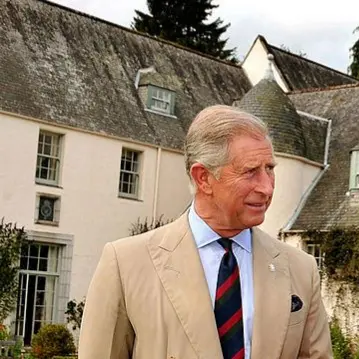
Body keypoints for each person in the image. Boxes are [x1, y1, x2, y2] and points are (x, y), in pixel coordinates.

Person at [78, 105, 332, 359]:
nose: (266, 188)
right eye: (250, 171)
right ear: (203, 178)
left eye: (270, 169)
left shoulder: (301, 269)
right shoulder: (125, 264)